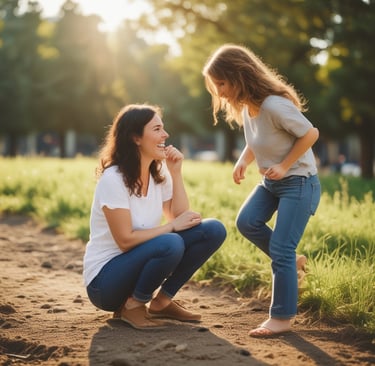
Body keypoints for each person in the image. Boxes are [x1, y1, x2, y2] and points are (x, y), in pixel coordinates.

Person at [202, 44, 321, 337]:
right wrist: (244, 160)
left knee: (281, 248)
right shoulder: (248, 107)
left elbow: (310, 133)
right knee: (247, 221)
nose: (219, 91)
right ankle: (292, 264)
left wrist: (284, 165)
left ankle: (282, 317)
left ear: (238, 75)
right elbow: (258, 140)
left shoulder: (273, 104)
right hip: (272, 182)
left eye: (221, 83)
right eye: (214, 85)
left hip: (299, 181)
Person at [83, 103, 226, 330]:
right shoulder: (113, 179)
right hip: (105, 283)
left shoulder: (158, 172)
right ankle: (133, 307)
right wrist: (170, 228)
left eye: (164, 128)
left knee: (212, 230)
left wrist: (176, 172)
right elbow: (125, 240)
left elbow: (180, 216)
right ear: (136, 138)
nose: (166, 135)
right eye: (157, 129)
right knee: (171, 242)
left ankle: (161, 302)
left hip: (137, 263)